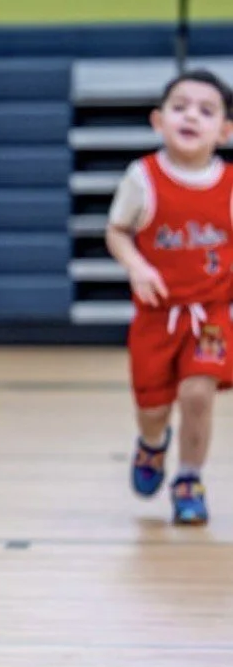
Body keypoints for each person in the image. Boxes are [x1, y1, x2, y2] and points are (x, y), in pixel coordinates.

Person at [105, 69, 233, 525]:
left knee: (199, 392)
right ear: (159, 121)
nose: (191, 116)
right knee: (153, 409)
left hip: (212, 314)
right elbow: (116, 231)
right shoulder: (143, 178)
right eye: (180, 107)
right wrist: (137, 265)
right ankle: (152, 444)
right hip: (157, 317)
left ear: (225, 130)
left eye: (205, 109)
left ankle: (190, 479)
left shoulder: (230, 184)